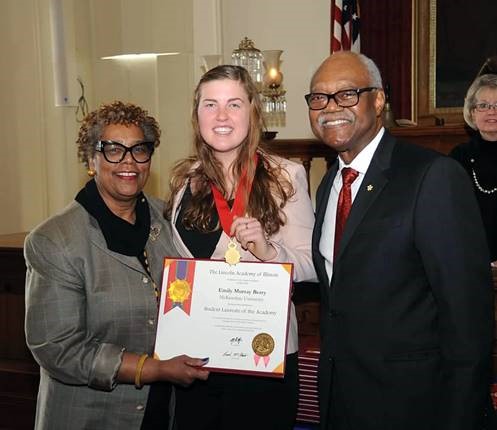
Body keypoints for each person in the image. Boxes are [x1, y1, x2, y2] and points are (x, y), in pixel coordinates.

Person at [307, 51, 495, 429]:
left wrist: (462, 416)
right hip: (341, 402)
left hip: (415, 407)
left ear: (378, 101)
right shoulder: (329, 184)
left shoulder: (433, 176)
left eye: (347, 94)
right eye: (319, 98)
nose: (330, 107)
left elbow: (467, 317)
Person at [24, 101, 209, 430]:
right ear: (91, 159)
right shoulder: (55, 240)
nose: (129, 161)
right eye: (113, 149)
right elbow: (57, 349)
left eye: (139, 149)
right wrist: (152, 369)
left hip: (162, 412)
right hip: (90, 417)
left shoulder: (168, 219)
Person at [165, 64, 316, 429]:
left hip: (260, 359)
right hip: (195, 360)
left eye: (234, 104)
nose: (220, 115)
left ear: (253, 111)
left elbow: (314, 266)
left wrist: (268, 251)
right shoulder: (184, 178)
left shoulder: (286, 175)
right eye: (209, 104)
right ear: (196, 114)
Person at [449, 73, 497, 263]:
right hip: (470, 257)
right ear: (472, 112)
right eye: (483, 105)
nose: (492, 111)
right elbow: (450, 214)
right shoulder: (458, 157)